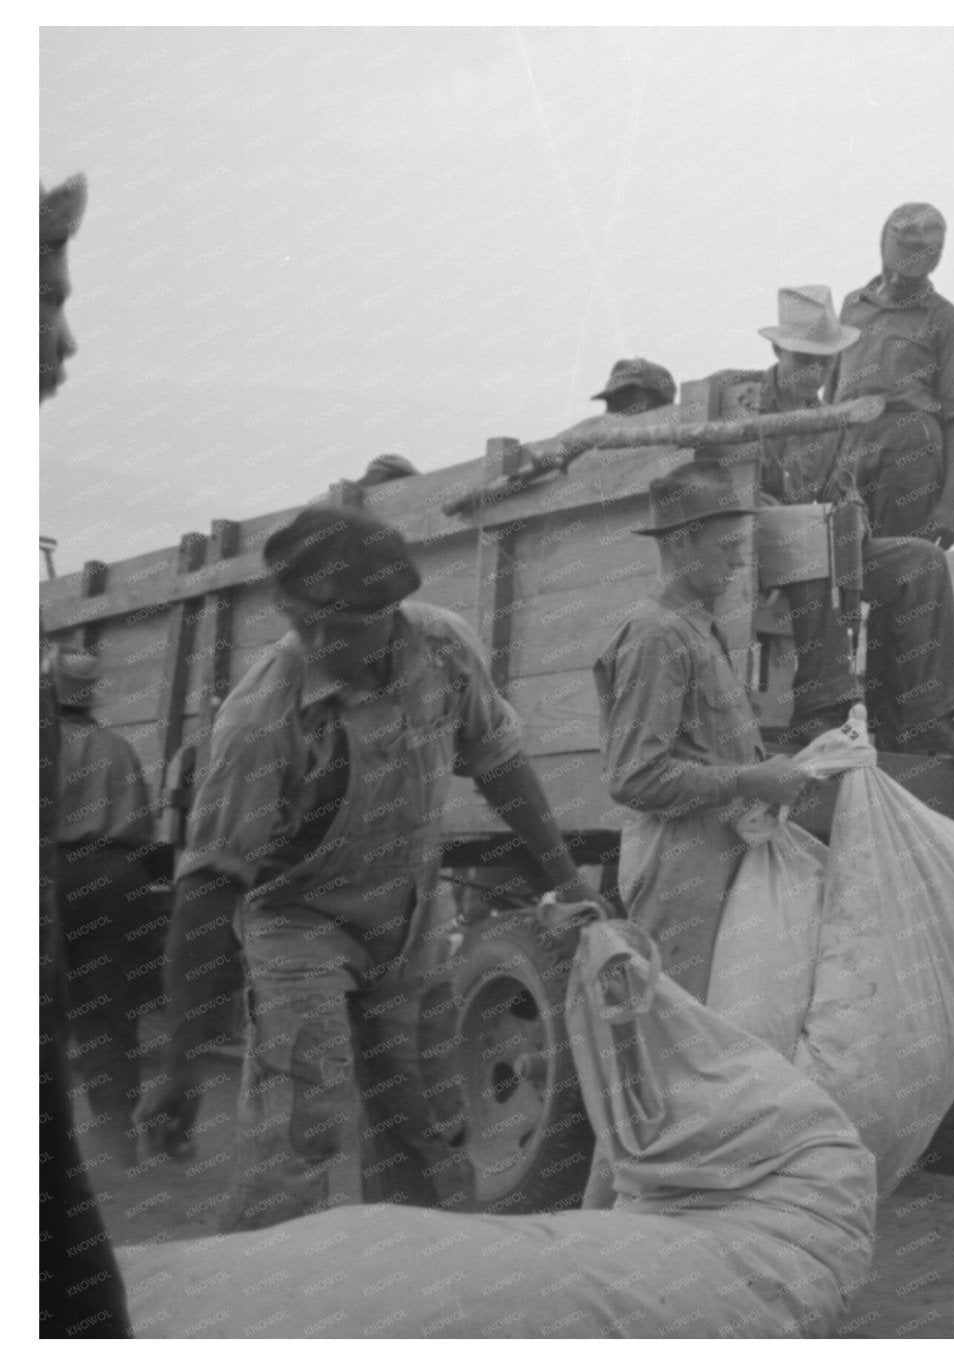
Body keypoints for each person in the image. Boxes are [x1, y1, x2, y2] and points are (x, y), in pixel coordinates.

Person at [136, 506, 598, 1232]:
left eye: (346, 625)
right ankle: (267, 1303)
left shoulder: (443, 650)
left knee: (431, 1120)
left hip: (410, 915)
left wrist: (567, 880)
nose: (322, 643)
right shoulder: (262, 715)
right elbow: (207, 889)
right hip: (298, 924)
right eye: (304, 622)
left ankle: (412, 1295)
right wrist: (180, 1061)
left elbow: (501, 764)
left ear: (391, 611)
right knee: (304, 1127)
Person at [708, 285, 954, 757]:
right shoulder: (745, 401)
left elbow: (846, 490)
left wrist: (853, 518)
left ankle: (928, 717)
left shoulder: (831, 420)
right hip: (753, 542)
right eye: (803, 360)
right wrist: (807, 518)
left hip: (823, 538)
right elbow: (732, 484)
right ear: (778, 348)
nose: (814, 372)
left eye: (824, 363)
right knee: (815, 535)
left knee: (919, 561)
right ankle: (821, 710)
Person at [592, 463, 823, 1002]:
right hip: (681, 864)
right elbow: (636, 778)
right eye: (726, 546)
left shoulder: (699, 630)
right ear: (678, 542)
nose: (740, 559)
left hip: (713, 853)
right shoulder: (656, 635)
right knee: (681, 1034)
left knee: (717, 1030)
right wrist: (751, 780)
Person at [40, 170, 133, 1339]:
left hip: (80, 886)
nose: (66, 339)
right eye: (44, 296)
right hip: (106, 879)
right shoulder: (97, 742)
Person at [49, 650, 165, 1169]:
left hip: (47, 875)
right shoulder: (118, 747)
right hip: (116, 879)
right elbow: (143, 827)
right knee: (108, 1016)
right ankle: (118, 1147)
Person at [826, 203, 954, 546]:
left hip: (909, 452)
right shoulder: (852, 306)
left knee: (898, 566)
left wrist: (951, 502)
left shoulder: (950, 323)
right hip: (848, 448)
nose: (900, 277)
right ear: (884, 246)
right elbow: (830, 395)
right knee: (838, 566)